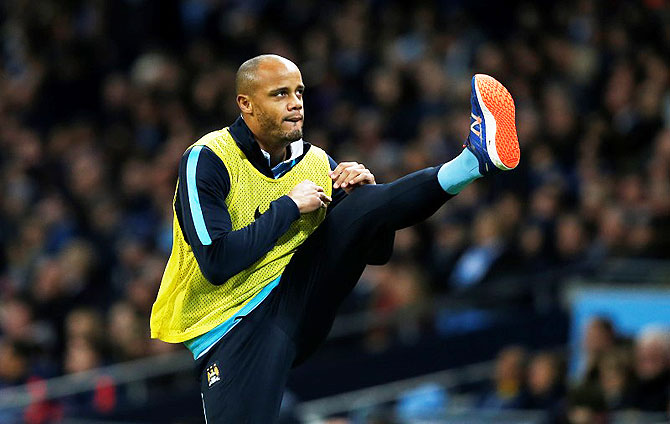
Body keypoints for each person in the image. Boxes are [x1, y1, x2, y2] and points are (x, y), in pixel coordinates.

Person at [149, 54, 520, 422]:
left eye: (299, 92)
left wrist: (372, 200)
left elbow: (376, 254)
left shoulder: (314, 161)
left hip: (299, 297)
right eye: (279, 94)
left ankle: (474, 160)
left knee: (362, 201)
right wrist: (289, 206)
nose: (295, 103)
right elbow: (217, 262)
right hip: (228, 327)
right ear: (245, 104)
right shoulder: (208, 157)